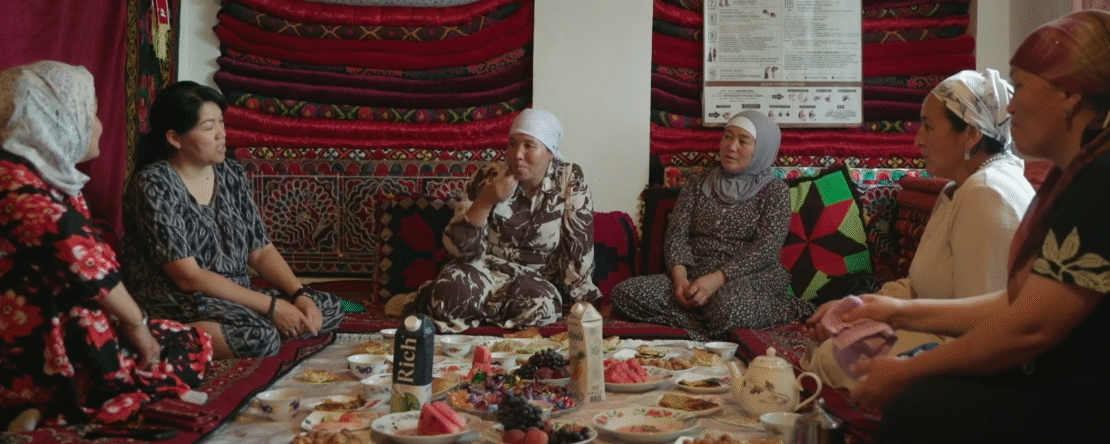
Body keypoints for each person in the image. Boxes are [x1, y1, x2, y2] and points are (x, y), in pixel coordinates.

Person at [842, 10, 1110, 443]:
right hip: (1051, 378)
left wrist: (908, 369)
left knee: (919, 406)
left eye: (1020, 86)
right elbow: (1021, 305)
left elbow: (1030, 327)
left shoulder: (1099, 182)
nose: (1011, 104)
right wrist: (896, 309)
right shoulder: (1075, 176)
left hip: (1084, 405)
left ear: (1070, 96)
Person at [0, 61, 212, 427]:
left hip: (63, 319)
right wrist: (137, 325)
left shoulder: (40, 176)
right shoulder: (19, 188)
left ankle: (37, 404)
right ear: (56, 121)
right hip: (38, 335)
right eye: (90, 114)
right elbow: (88, 268)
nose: (98, 125)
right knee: (168, 348)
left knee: (185, 339)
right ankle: (53, 399)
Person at [801, 69, 1036, 389]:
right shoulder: (959, 188)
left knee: (834, 359)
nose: (917, 139)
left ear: (970, 135)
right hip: (932, 329)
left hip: (962, 352)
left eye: (928, 126)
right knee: (830, 343)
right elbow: (918, 284)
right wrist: (852, 309)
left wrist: (895, 334)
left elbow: (983, 329)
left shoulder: (987, 195)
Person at [120, 81, 344, 359]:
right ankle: (160, 333)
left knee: (326, 306)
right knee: (260, 336)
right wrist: (272, 308)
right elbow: (188, 277)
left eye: (221, 124)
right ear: (175, 138)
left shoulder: (230, 172)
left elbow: (260, 251)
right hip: (180, 298)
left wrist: (299, 294)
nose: (221, 135)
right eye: (208, 127)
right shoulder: (154, 184)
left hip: (234, 294)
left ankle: (267, 329)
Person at [610, 110, 812, 341]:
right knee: (625, 294)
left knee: (730, 308)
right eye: (727, 137)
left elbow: (765, 248)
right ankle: (710, 326)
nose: (731, 146)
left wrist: (717, 279)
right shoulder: (698, 183)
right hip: (695, 276)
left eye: (742, 141)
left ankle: (776, 308)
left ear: (762, 149)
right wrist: (680, 282)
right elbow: (676, 236)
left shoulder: (774, 191)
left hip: (747, 279)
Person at [413, 109, 601, 332]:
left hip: (531, 281)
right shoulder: (488, 177)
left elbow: (578, 247)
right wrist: (487, 199)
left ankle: (471, 316)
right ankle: (486, 316)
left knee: (544, 305)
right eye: (512, 144)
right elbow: (459, 251)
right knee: (450, 292)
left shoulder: (569, 179)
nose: (517, 154)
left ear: (550, 152)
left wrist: (587, 299)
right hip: (479, 271)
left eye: (529, 145)